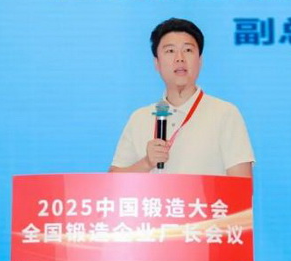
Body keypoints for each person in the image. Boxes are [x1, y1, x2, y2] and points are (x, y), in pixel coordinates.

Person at [109, 18, 255, 177]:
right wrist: (146, 163)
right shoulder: (139, 118)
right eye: (170, 51)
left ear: (200, 61)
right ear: (157, 63)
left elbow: (241, 185)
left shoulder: (225, 113)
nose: (180, 58)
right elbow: (112, 182)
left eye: (188, 50)